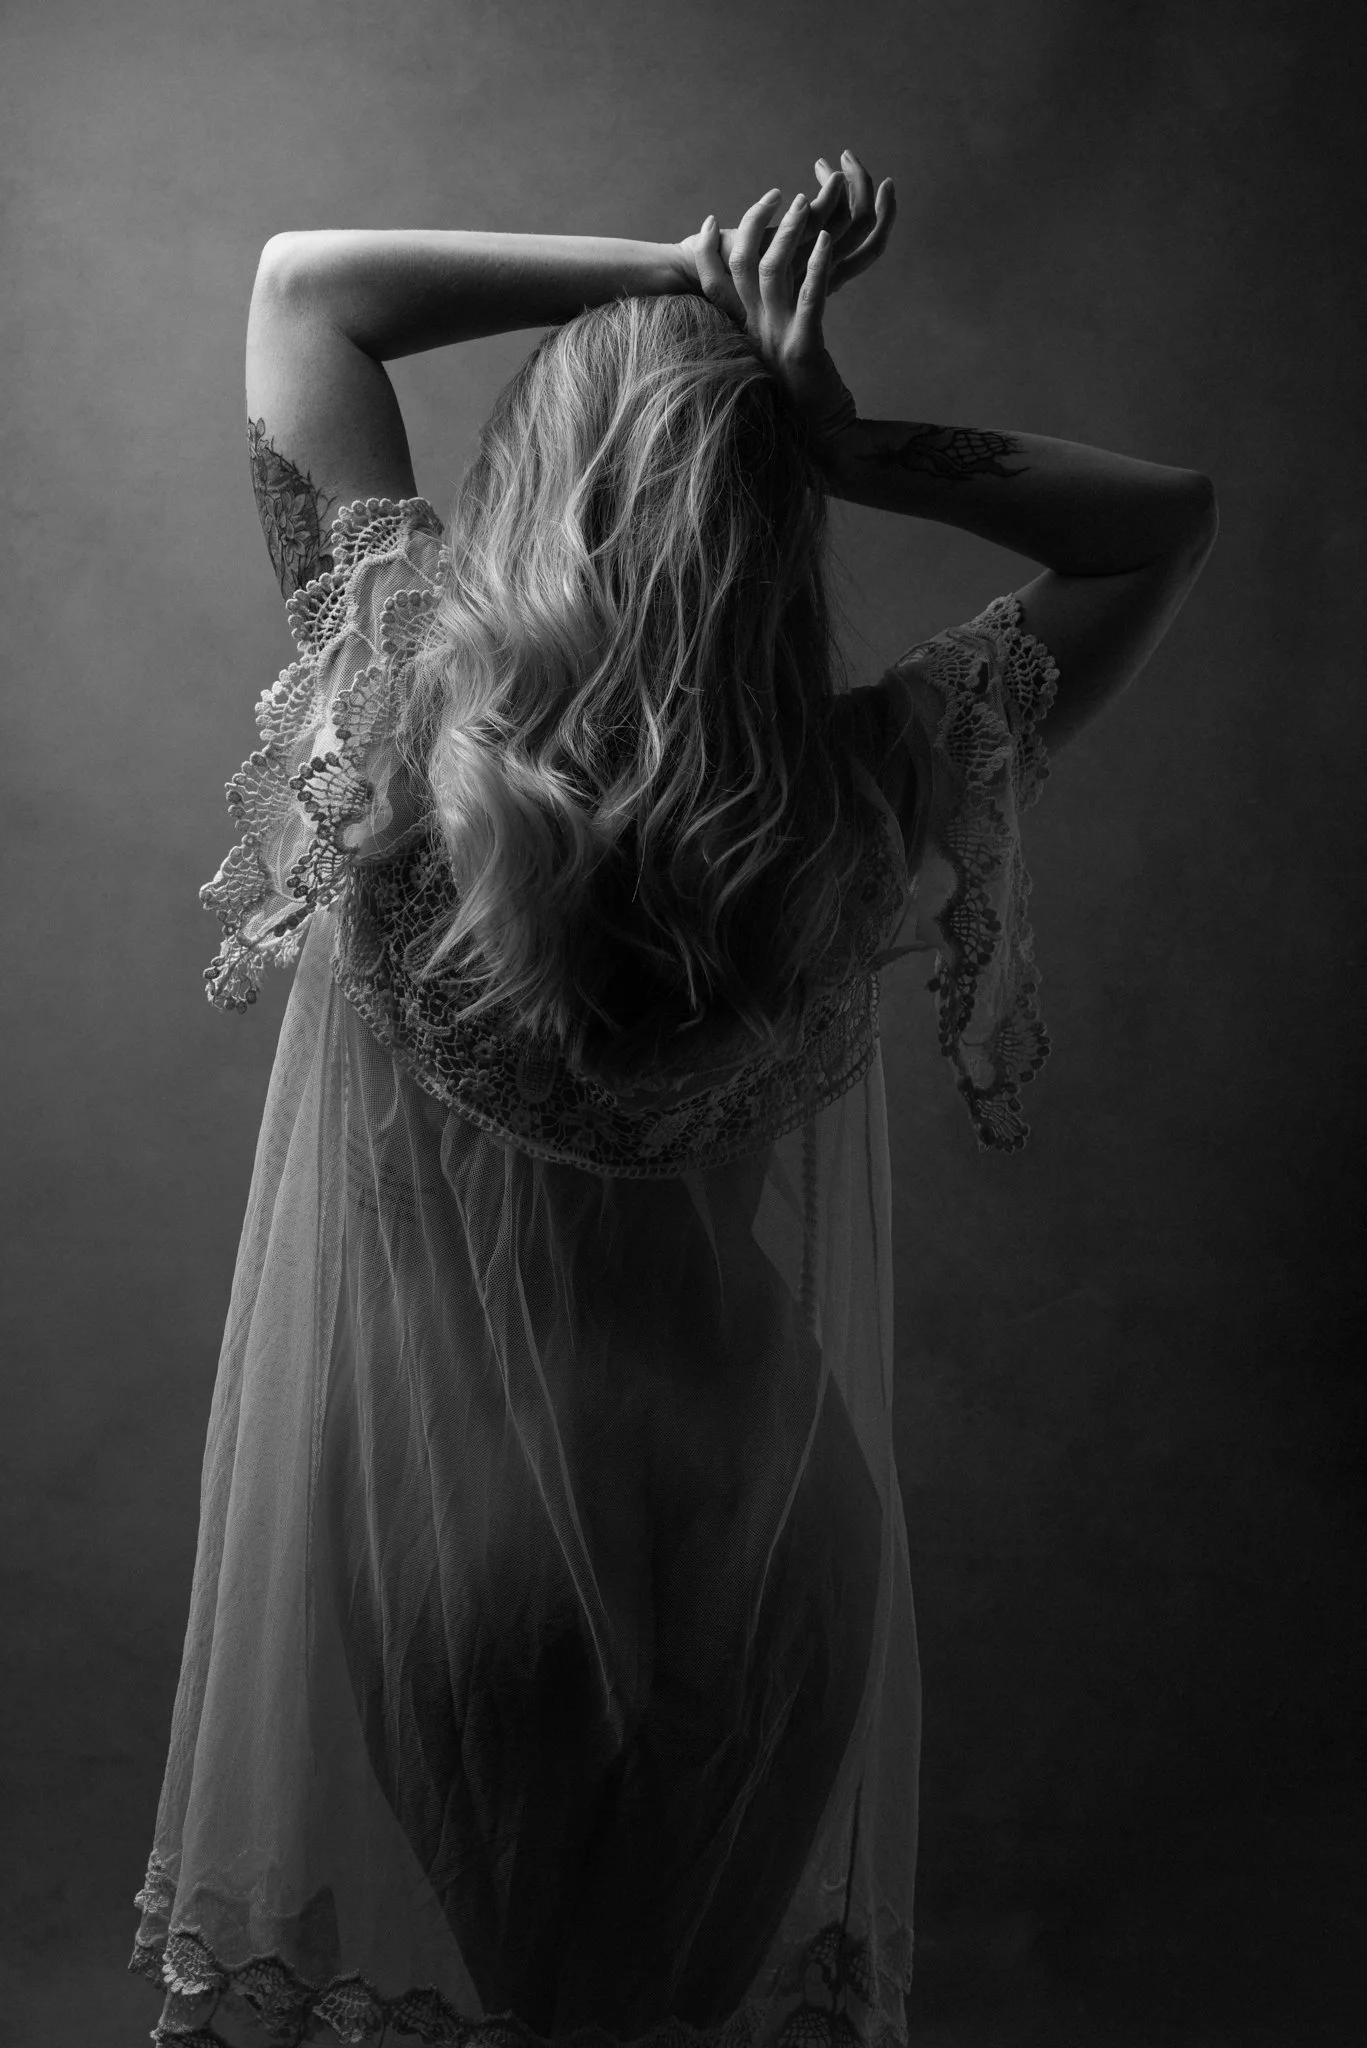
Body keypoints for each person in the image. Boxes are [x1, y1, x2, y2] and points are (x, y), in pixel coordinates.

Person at [130, 153, 1216, 2048]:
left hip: (464, 1532)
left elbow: (311, 286)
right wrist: (833, 425)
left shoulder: (393, 742)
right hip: (766, 1509)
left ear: (529, 487)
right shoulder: (866, 796)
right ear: (775, 519)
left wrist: (679, 274)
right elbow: (1157, 522)